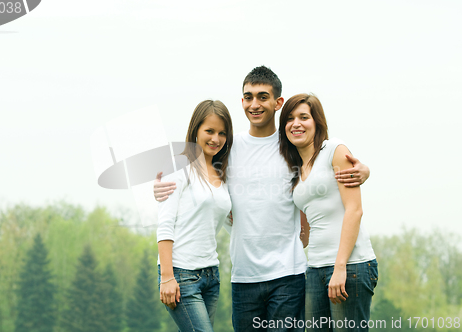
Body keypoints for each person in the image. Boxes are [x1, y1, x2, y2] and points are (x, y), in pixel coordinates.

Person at [155, 66, 371, 332]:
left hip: (288, 277)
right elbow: (203, 182)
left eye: (262, 97)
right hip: (243, 276)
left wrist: (364, 170)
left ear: (278, 102)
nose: (254, 104)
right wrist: (163, 188)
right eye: (248, 97)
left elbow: (318, 171)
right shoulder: (228, 149)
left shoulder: (292, 145)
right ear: (242, 101)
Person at [278, 93, 378, 332]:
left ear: (317, 122)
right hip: (315, 269)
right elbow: (307, 228)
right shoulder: (296, 169)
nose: (296, 123)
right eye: (290, 118)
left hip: (351, 266)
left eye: (304, 117)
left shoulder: (334, 150)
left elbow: (354, 210)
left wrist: (340, 267)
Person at [157, 100, 233, 331]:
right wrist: (167, 277)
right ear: (195, 131)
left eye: (221, 133)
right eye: (209, 131)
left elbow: (229, 221)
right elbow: (165, 224)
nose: (215, 139)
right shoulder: (179, 168)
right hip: (182, 274)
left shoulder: (223, 174)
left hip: (211, 274)